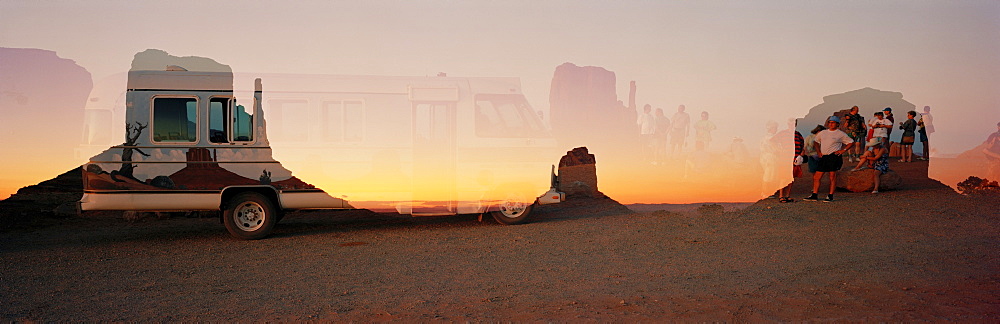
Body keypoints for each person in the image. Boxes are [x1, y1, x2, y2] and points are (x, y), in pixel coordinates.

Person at [804, 116, 854, 202]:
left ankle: (830, 195)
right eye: (830, 122)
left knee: (832, 176)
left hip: (833, 156)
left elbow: (851, 142)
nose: (831, 124)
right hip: (824, 156)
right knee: (817, 176)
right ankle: (814, 195)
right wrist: (818, 151)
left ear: (837, 124)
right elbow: (816, 141)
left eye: (833, 122)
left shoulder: (840, 134)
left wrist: (843, 150)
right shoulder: (823, 132)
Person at [778, 121, 805, 203]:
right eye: (790, 123)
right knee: (783, 177)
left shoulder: (798, 134)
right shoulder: (782, 134)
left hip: (795, 160)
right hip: (785, 159)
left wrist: (800, 156)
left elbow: (803, 147)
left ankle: (787, 195)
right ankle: (781, 196)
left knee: (791, 178)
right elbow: (774, 143)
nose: (791, 125)